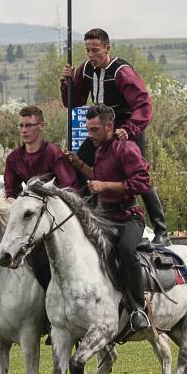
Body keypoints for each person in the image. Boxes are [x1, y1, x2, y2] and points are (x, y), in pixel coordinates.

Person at [61, 27, 169, 245]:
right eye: (88, 50)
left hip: (124, 128)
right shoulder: (85, 70)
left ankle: (161, 230)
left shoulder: (122, 72)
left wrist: (129, 129)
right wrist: (67, 84)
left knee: (139, 177)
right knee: (76, 166)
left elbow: (143, 104)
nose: (91, 55)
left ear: (107, 48)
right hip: (101, 130)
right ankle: (91, 218)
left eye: (95, 50)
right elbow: (74, 102)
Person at [67, 104, 152, 333]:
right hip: (104, 215)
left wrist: (104, 186)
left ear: (108, 126)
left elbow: (143, 183)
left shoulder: (127, 149)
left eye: (94, 130)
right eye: (88, 129)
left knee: (125, 250)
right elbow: (98, 176)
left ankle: (138, 309)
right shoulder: (100, 150)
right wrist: (78, 164)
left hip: (128, 217)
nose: (89, 135)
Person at [4, 105, 78, 290]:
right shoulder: (13, 158)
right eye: (21, 126)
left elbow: (70, 189)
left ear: (41, 125)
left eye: (29, 125)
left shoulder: (53, 154)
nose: (24, 130)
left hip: (54, 223)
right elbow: (10, 192)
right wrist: (11, 201)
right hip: (27, 222)